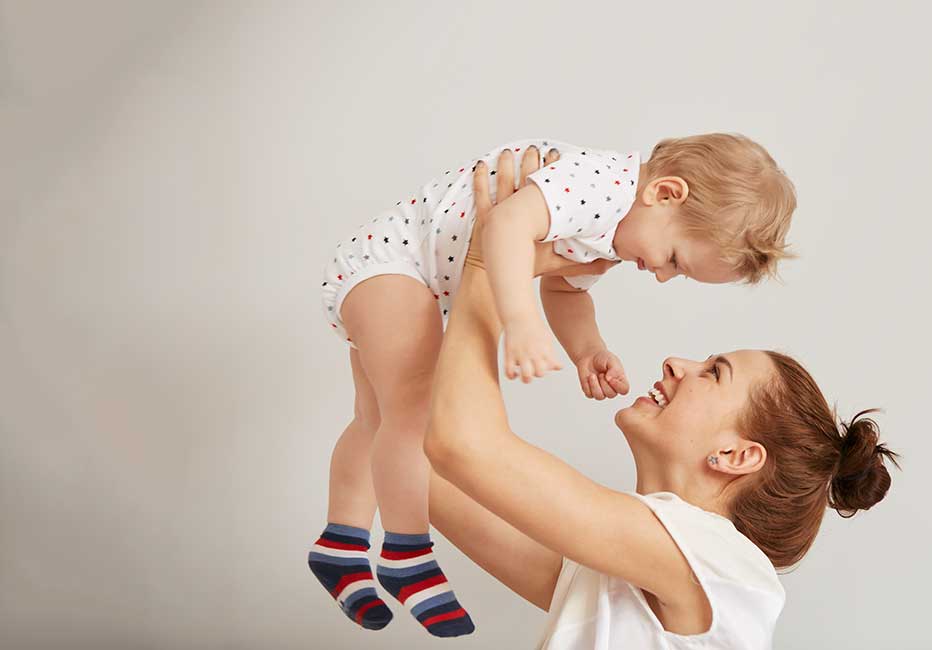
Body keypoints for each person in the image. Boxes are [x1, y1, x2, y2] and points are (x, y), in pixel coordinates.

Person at [309, 136, 797, 637]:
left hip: (406, 278)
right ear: (666, 193)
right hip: (398, 268)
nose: (663, 277)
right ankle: (400, 550)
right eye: (674, 258)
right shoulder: (597, 192)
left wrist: (584, 347)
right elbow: (445, 450)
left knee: (384, 421)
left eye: (714, 374)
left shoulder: (709, 559)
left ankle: (346, 545)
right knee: (398, 418)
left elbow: (452, 447)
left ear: (737, 456)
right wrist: (519, 317)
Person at [414, 156, 899, 648]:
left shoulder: (723, 565)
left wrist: (488, 261)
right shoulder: (616, 576)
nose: (675, 363)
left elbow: (462, 445)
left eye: (714, 373)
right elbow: (418, 467)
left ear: (737, 455)